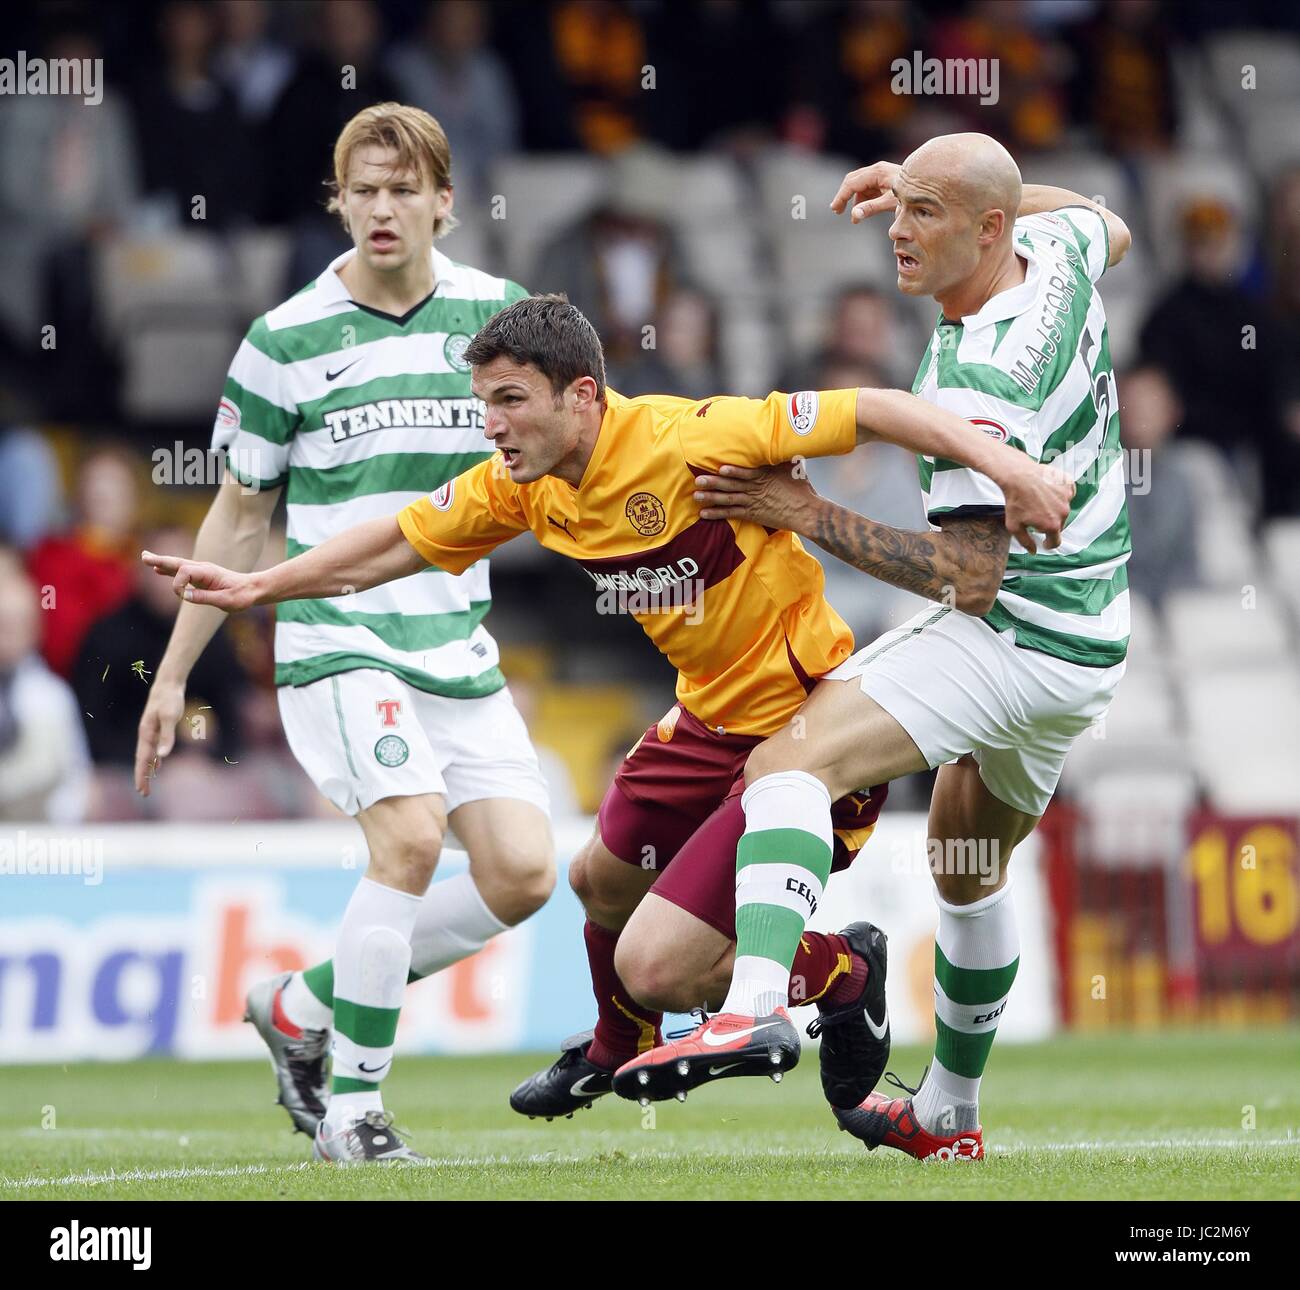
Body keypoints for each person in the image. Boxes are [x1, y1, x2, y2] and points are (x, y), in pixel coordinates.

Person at [139, 291, 1074, 1124]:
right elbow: (395, 543)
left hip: (805, 724)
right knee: (597, 882)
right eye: (484, 405)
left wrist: (1008, 468)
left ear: (580, 396)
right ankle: (614, 1050)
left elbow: (874, 409)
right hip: (706, 716)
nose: (492, 426)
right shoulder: (526, 487)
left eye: (510, 402)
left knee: (661, 968)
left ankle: (844, 972)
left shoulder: (692, 436)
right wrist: (261, 586)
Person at [624, 134, 1131, 1162]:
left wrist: (798, 507)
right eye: (898, 207)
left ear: (991, 233)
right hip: (1091, 644)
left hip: (1013, 633)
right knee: (963, 856)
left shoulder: (975, 378)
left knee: (787, 764)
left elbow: (967, 580)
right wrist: (931, 180)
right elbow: (1105, 219)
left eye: (925, 214)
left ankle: (757, 1005)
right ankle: (948, 1111)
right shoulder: (1060, 253)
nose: (897, 231)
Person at [132, 104, 554, 1166]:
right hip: (334, 633)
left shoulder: (501, 320)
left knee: (521, 875)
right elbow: (237, 519)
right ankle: (355, 1111)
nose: (380, 207)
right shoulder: (284, 338)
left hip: (454, 641)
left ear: (443, 201)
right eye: (361, 189)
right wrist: (171, 677)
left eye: (402, 188)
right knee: (409, 839)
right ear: (337, 201)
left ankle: (300, 1007)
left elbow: (577, 445)